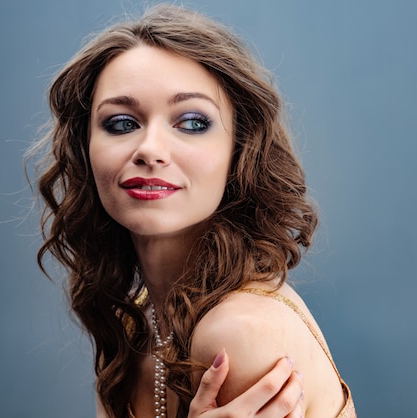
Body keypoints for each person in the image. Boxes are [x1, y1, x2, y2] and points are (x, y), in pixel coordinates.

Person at [31, 4, 356, 418]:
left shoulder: (239, 333)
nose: (149, 149)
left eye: (192, 122)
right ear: (85, 151)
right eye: (121, 123)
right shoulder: (135, 321)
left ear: (239, 152)